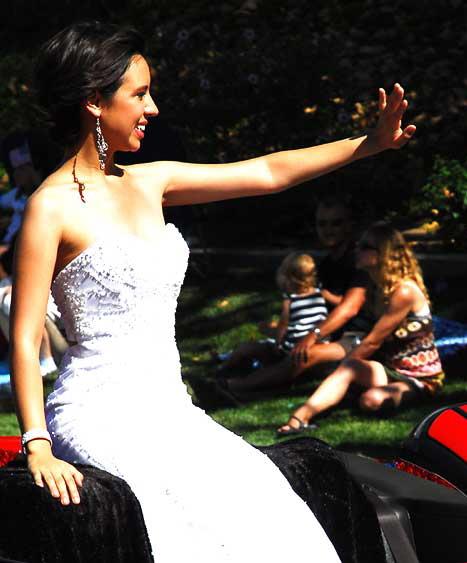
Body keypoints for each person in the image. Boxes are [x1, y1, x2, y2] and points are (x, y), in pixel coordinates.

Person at [12, 21, 415, 563]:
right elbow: (24, 335)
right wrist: (35, 443)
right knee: (179, 523)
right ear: (93, 102)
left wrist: (367, 145)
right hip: (97, 413)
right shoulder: (49, 207)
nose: (152, 108)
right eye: (139, 94)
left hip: (172, 410)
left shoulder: (152, 179)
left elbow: (269, 172)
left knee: (272, 505)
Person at [277, 224, 443, 436]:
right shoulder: (378, 287)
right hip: (390, 369)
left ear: (383, 253)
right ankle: (299, 418)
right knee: (351, 371)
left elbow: (372, 342)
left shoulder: (403, 291)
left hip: (419, 378)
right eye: (358, 245)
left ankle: (350, 393)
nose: (357, 250)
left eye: (365, 247)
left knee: (370, 399)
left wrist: (342, 367)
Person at [221, 194, 373, 397]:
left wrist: (313, 335)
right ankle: (219, 378)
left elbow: (349, 309)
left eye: (336, 223)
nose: (328, 230)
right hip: (323, 333)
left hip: (352, 338)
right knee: (253, 349)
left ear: (349, 225)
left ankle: (233, 389)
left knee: (303, 355)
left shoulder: (360, 262)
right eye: (322, 224)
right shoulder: (325, 265)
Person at [220, 252, 328, 370]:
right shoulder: (320, 293)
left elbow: (283, 325)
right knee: (267, 332)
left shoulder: (290, 301)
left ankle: (228, 362)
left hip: (294, 347)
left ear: (289, 279)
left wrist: (278, 344)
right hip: (320, 344)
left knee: (259, 345)